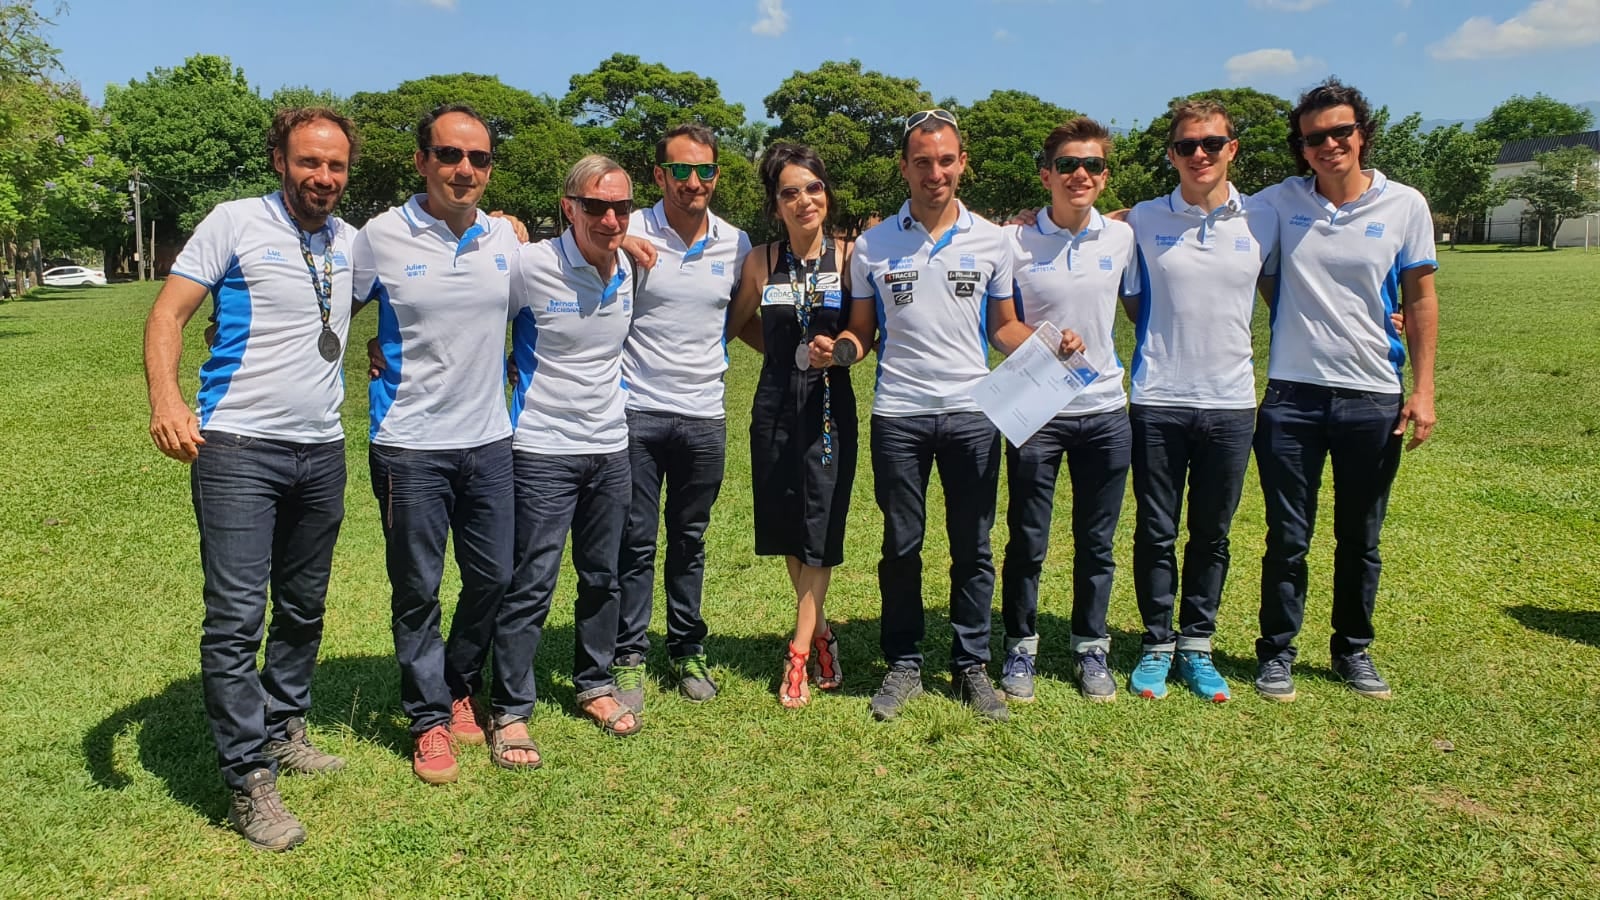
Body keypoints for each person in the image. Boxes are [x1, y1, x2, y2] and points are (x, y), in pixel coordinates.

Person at [143, 107, 357, 851]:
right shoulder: (233, 222)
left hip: (321, 449)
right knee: (236, 619)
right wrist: (168, 399)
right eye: (309, 162)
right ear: (279, 160)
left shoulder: (351, 243)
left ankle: (284, 726)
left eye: (335, 166)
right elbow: (170, 313)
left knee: (302, 606)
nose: (323, 178)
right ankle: (248, 778)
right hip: (237, 449)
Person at [351, 103, 532, 782]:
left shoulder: (505, 241)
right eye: (450, 155)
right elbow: (332, 303)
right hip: (409, 445)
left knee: (494, 575)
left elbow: (534, 314)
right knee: (417, 588)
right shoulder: (378, 237)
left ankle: (459, 681)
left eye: (478, 158)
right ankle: (429, 718)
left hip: (490, 440)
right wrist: (375, 345)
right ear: (422, 160)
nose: (464, 169)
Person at [1250, 78, 1438, 702]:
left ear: (1362, 134)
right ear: (1300, 149)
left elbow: (1420, 298)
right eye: (1314, 138)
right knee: (1288, 536)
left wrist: (1423, 389)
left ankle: (1352, 650)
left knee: (1360, 534)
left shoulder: (1404, 204)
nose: (1329, 144)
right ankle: (1276, 652)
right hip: (1291, 399)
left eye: (1341, 132)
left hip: (1372, 395)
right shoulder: (1278, 202)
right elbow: (1204, 205)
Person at [842, 109, 1015, 723]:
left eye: (946, 160)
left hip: (974, 413)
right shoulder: (873, 244)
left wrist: (1050, 343)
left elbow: (1003, 328)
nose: (935, 172)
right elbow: (862, 333)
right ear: (905, 167)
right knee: (902, 544)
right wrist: (841, 349)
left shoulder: (994, 239)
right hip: (900, 415)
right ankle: (905, 661)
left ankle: (971, 664)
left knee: (973, 546)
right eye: (923, 161)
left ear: (962, 163)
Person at [1120, 100, 1279, 703]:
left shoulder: (1264, 218)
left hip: (1233, 403)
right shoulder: (1141, 218)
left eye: (1212, 143)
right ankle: (1157, 644)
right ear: (1172, 154)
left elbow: (1293, 295)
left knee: (1211, 533)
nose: (1200, 155)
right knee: (1157, 531)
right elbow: (1126, 291)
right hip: (1158, 399)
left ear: (1231, 149)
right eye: (1187, 145)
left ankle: (1198, 645)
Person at [988, 117, 1134, 705]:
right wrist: (1044, 341)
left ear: (1104, 176)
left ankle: (1089, 646)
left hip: (1105, 411)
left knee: (1097, 540)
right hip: (1035, 410)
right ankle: (1021, 646)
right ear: (1046, 174)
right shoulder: (1011, 241)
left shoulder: (1124, 236)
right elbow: (1000, 329)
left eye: (1093, 165)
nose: (1081, 174)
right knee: (1028, 538)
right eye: (1068, 164)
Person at [498, 155, 642, 738]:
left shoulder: (630, 266)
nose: (609, 219)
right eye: (595, 206)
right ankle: (510, 709)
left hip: (611, 447)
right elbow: (474, 317)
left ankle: (597, 684)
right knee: (531, 580)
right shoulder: (529, 266)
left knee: (603, 575)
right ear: (569, 208)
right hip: (541, 448)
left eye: (620, 207)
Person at [612, 124, 751, 713]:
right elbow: (570, 242)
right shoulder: (628, 226)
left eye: (705, 172)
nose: (694, 183)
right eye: (682, 171)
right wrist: (616, 243)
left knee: (690, 539)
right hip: (636, 411)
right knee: (635, 540)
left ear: (716, 176)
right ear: (659, 176)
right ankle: (628, 655)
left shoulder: (736, 242)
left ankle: (686, 646)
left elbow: (745, 319)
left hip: (703, 415)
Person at [725, 142, 858, 708]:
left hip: (830, 404)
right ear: (775, 204)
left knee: (821, 525)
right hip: (776, 400)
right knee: (787, 522)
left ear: (826, 194)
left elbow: (862, 332)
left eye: (813, 188)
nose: (804, 200)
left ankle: (799, 652)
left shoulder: (851, 256)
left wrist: (838, 353)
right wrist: (784, 353)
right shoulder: (761, 260)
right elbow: (737, 324)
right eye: (790, 192)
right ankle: (821, 628)